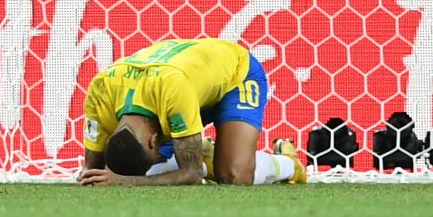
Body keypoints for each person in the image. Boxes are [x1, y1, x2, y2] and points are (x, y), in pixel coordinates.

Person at [78, 38, 306, 186]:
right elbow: (92, 169)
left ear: (153, 140)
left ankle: (288, 164)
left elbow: (192, 175)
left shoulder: (172, 88)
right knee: (146, 170)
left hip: (235, 76)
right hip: (187, 89)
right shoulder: (100, 92)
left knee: (235, 176)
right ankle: (201, 150)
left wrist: (124, 182)